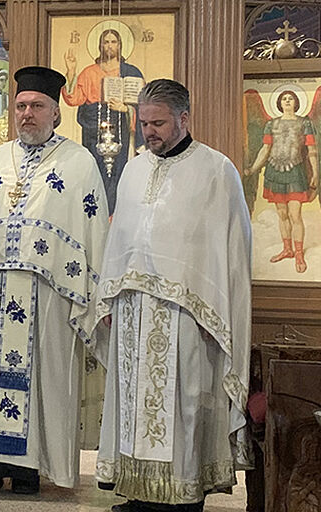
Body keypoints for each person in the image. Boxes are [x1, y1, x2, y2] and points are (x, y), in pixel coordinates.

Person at [0, 66, 109, 493]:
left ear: (56, 112)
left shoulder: (79, 162)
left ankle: (29, 465)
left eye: (36, 106)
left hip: (46, 294)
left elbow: (92, 232)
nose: (27, 114)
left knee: (39, 377)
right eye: (20, 106)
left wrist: (99, 293)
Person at [94, 79, 252, 512]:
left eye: (159, 123)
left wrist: (216, 310)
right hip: (131, 310)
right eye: (143, 123)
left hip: (186, 314)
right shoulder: (134, 168)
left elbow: (232, 251)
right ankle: (139, 491)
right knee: (132, 406)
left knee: (181, 407)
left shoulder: (217, 171)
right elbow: (119, 238)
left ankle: (183, 495)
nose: (149, 132)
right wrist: (107, 296)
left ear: (184, 118)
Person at [62, 28, 145, 214]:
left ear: (120, 45)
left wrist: (125, 109)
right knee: (95, 175)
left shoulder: (130, 72)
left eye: (113, 42)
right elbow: (73, 99)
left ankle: (116, 217)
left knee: (119, 176)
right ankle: (97, 216)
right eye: (105, 42)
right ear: (99, 45)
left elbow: (145, 106)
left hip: (122, 133)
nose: (109, 45)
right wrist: (71, 71)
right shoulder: (89, 72)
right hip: (94, 133)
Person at [247, 90, 318, 274]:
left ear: (296, 102)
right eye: (284, 99)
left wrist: (316, 173)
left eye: (291, 98)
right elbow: (265, 149)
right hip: (275, 172)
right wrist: (253, 169)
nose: (287, 101)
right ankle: (287, 249)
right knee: (282, 214)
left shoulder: (304, 123)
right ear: (279, 102)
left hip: (295, 172)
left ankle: (299, 253)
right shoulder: (272, 124)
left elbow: (311, 150)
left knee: (295, 215)